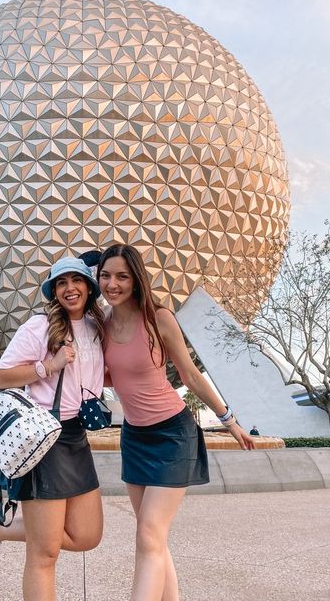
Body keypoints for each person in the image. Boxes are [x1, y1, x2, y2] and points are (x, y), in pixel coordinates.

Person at [97, 243, 255, 601]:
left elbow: (192, 377)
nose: (113, 284)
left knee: (149, 535)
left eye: (122, 276)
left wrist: (230, 422)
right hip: (134, 437)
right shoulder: (102, 324)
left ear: (136, 280)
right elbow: (110, 375)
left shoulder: (159, 319)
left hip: (173, 433)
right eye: (106, 275)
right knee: (153, 536)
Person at [0, 257, 105, 600]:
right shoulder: (39, 326)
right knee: (45, 554)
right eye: (61, 283)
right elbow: (2, 377)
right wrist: (47, 366)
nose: (69, 288)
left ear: (89, 286)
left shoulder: (98, 326)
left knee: (87, 535)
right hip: (44, 438)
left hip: (75, 436)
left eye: (76, 280)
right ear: (54, 291)